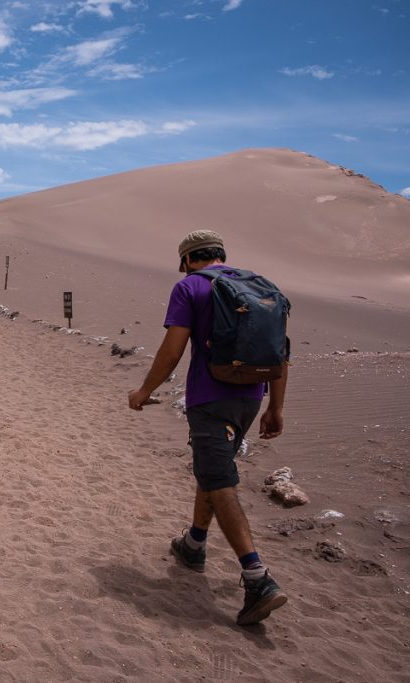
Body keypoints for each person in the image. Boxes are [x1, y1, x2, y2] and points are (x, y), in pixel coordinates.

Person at [127, 229, 288, 627]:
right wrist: (276, 407)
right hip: (250, 399)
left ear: (187, 259)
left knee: (219, 480)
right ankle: (194, 543)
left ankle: (257, 578)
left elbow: (173, 348)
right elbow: (281, 352)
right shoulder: (262, 287)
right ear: (221, 255)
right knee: (213, 471)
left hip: (210, 398)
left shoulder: (190, 288)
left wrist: (145, 390)